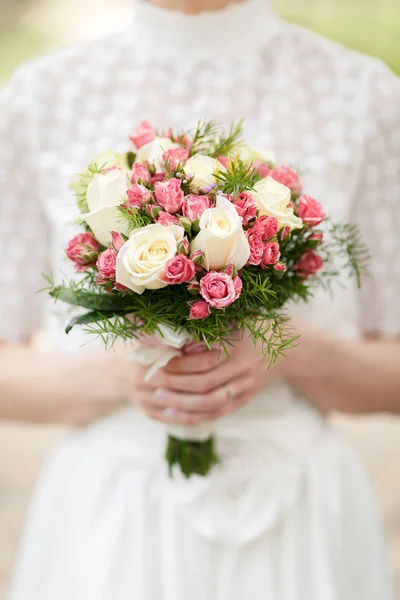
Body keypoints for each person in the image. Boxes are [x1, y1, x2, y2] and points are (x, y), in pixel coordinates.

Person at [1, 0, 400, 598]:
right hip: (111, 519)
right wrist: (131, 375)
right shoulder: (41, 94)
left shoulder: (364, 92)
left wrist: (289, 352)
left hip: (298, 506)